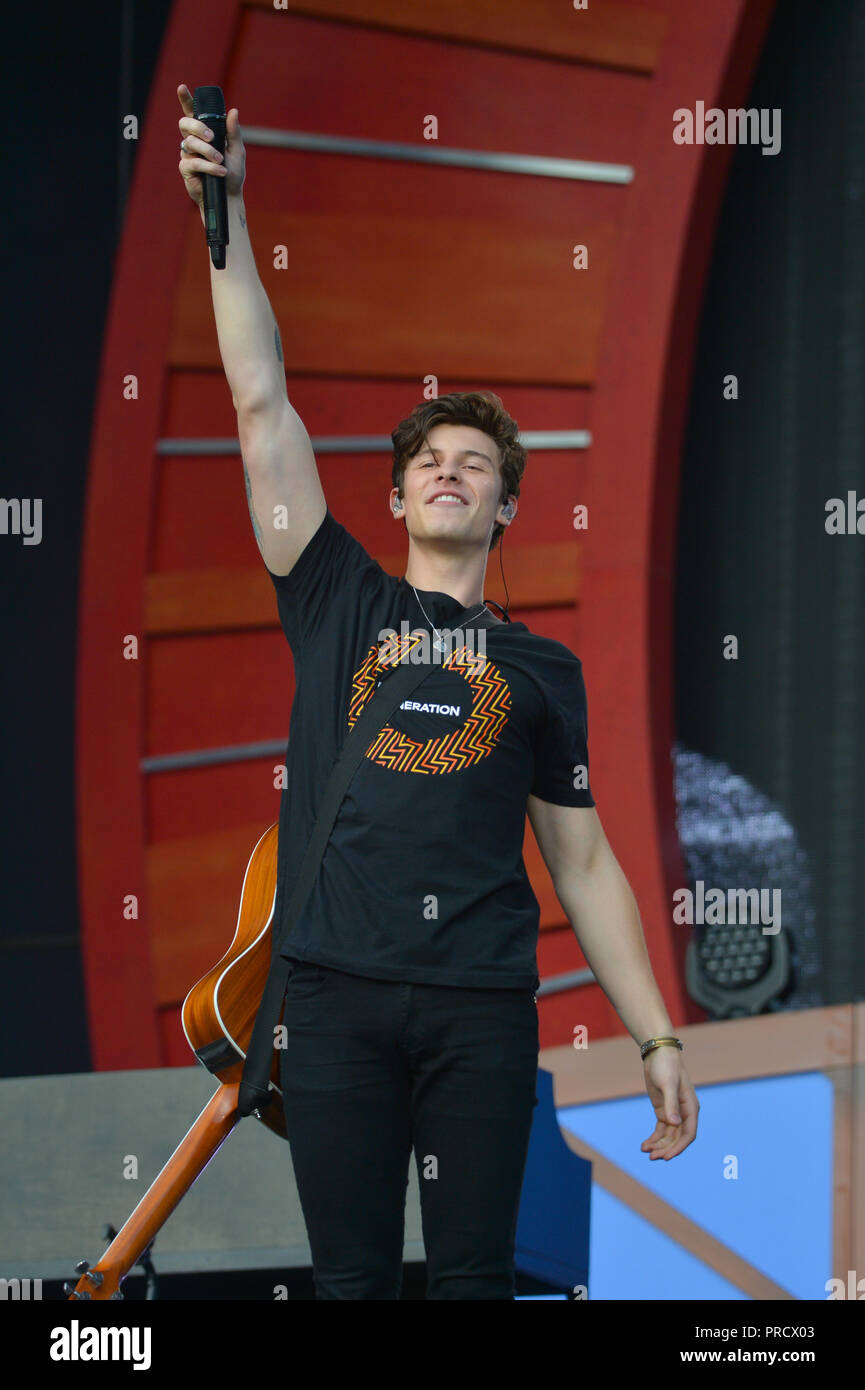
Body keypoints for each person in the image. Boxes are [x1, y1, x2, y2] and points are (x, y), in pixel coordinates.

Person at [176, 85, 700, 1300]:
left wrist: (658, 1036)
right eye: (427, 463)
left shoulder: (541, 668)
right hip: (337, 996)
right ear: (398, 500)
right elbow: (261, 403)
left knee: (473, 1280)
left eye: (475, 464)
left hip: (479, 1004)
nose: (449, 473)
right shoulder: (334, 595)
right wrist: (228, 217)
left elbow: (583, 867)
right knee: (353, 1283)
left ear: (507, 507)